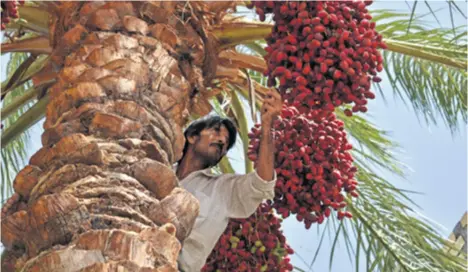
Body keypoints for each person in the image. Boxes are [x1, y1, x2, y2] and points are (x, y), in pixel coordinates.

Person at [176, 89, 283, 272]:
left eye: (226, 143)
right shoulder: (154, 168)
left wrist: (267, 127)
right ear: (192, 136)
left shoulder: (222, 189)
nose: (222, 142)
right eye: (216, 131)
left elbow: (262, 183)